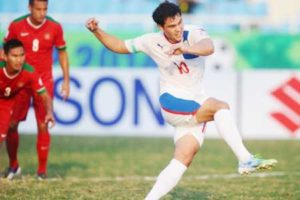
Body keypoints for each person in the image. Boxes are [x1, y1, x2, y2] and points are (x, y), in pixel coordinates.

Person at [86, 1, 277, 199]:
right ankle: (245, 158)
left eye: (179, 23)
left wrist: (187, 49)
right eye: (171, 26)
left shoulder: (193, 32)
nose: (178, 29)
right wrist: (97, 31)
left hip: (194, 103)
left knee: (183, 159)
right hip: (173, 102)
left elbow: (208, 47)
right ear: (161, 27)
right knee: (220, 107)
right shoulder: (151, 40)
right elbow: (119, 45)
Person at [1, 0, 70, 180]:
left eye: (45, 9)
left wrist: (66, 80)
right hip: (21, 82)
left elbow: (62, 52)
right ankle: (14, 165)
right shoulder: (16, 25)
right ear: (30, 8)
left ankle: (41, 172)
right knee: (11, 125)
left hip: (44, 80)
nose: (42, 13)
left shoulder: (55, 27)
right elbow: (4, 52)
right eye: (38, 9)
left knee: (43, 123)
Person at [0, 39, 55, 156]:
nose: (19, 60)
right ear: (4, 56)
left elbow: (45, 95)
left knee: (2, 136)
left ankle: (14, 166)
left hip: (6, 103)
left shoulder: (29, 72)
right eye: (14, 56)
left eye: (22, 55)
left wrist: (49, 112)